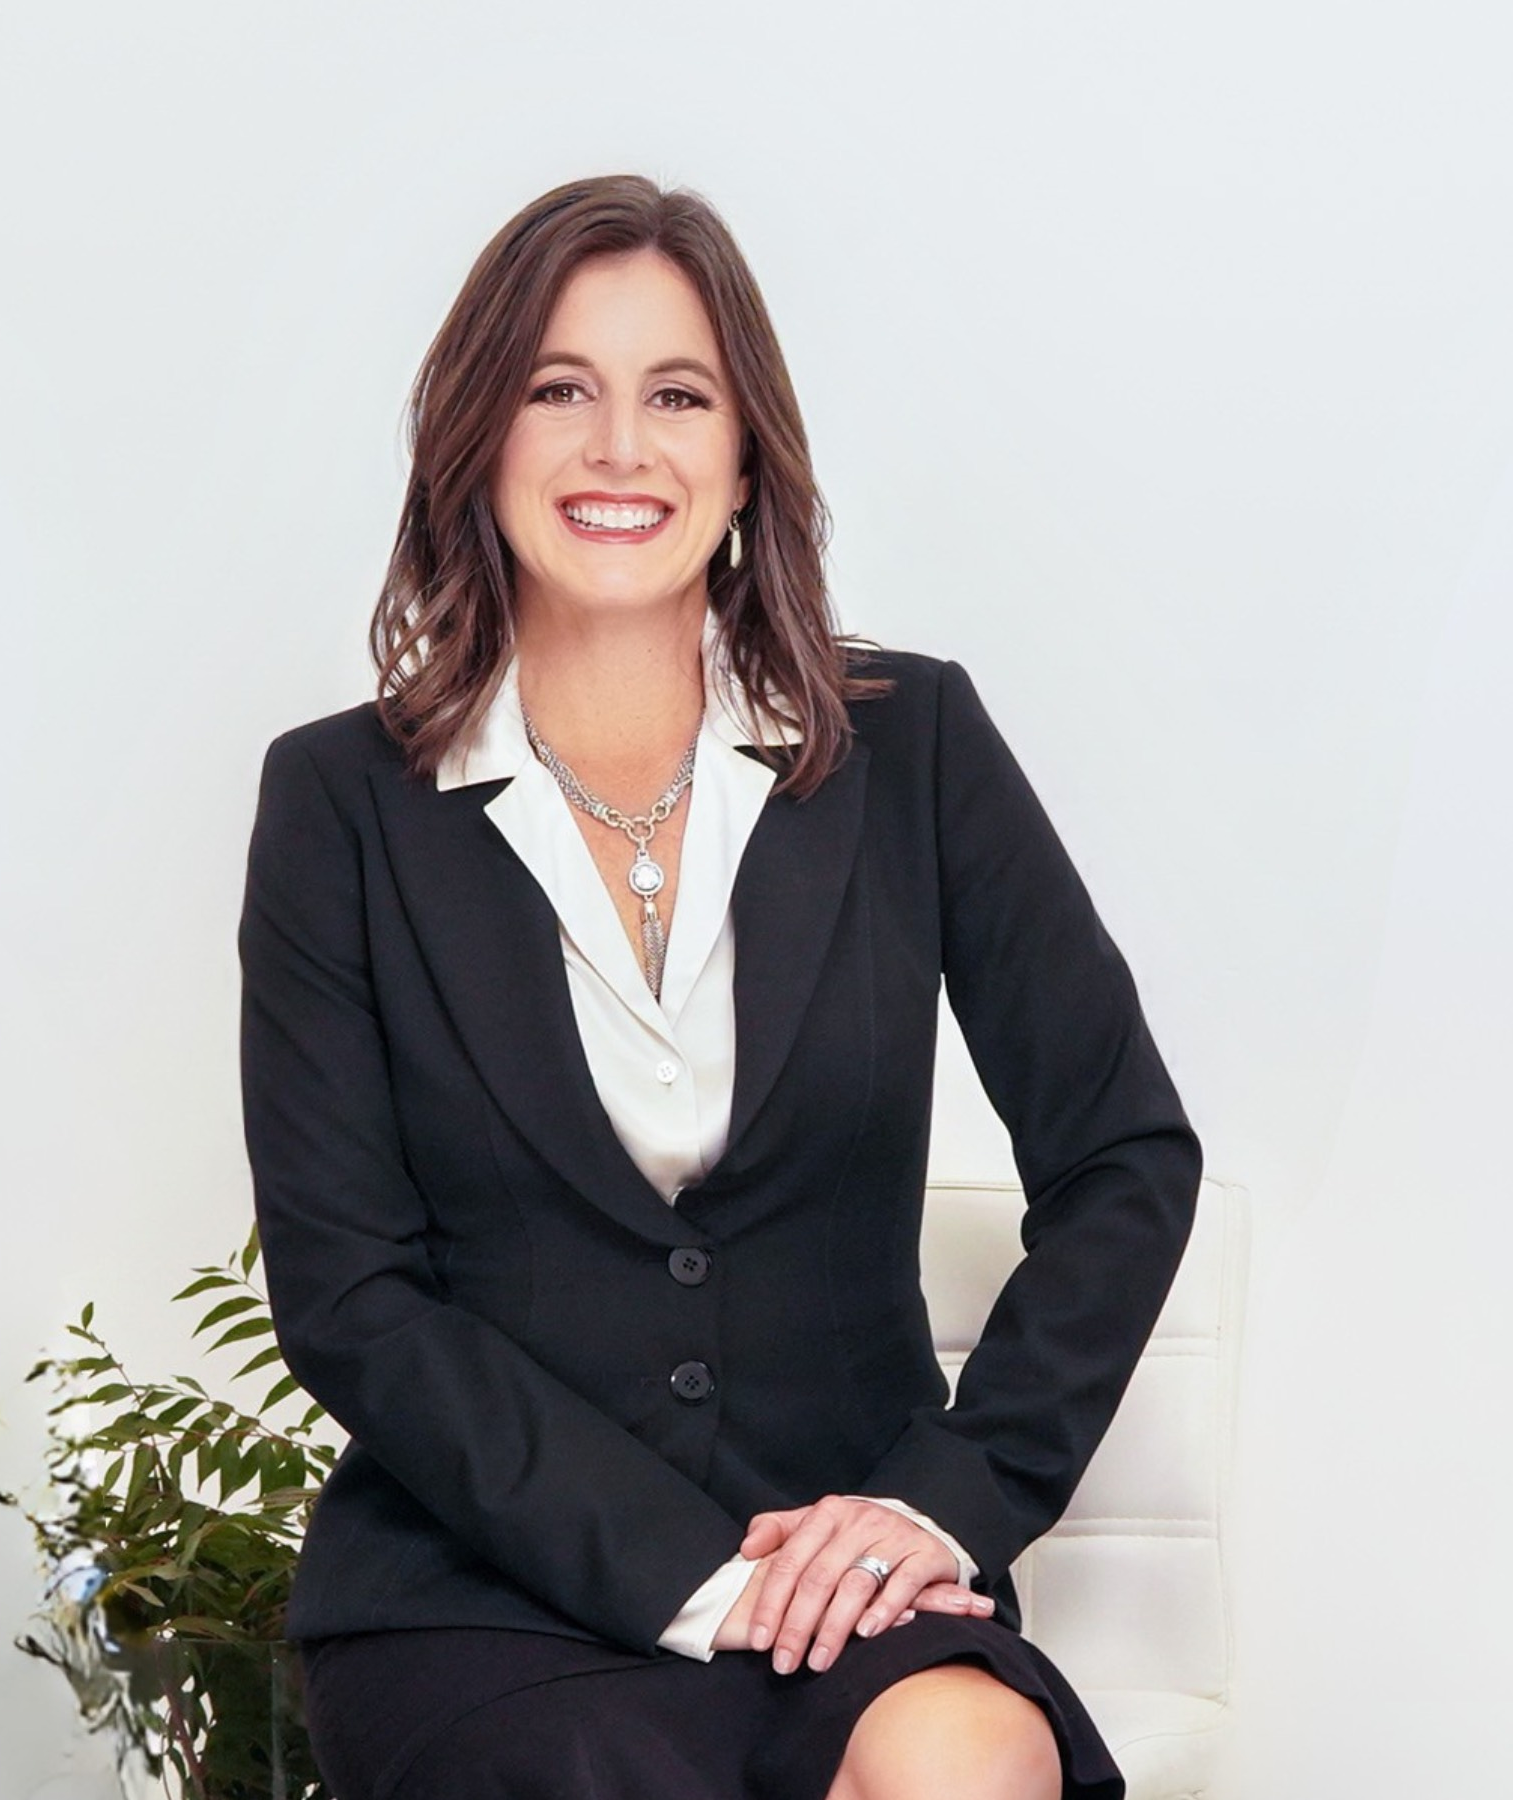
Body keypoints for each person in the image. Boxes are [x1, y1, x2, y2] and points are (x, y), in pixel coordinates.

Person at [238, 173, 1201, 1800]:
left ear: (747, 455)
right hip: (484, 1599)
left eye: (677, 395)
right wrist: (698, 1582)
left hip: (851, 1567)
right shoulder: (340, 804)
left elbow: (1123, 1159)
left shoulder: (918, 748)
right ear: (479, 441)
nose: (622, 448)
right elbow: (354, 1298)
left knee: (968, 1757)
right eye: (561, 390)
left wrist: (937, 1503)